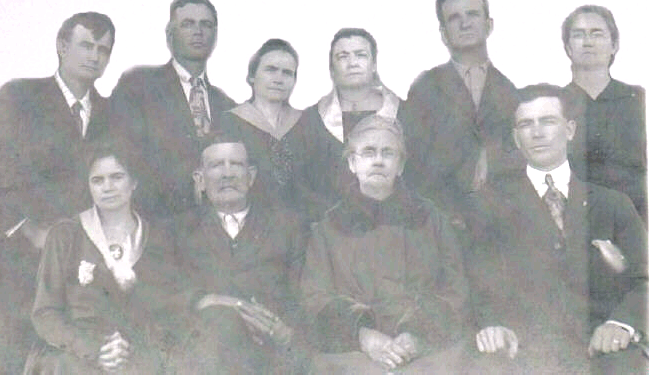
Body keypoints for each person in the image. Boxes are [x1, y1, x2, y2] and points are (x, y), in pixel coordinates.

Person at [465, 84, 647, 373]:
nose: (537, 133)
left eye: (548, 121)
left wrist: (621, 324)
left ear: (570, 130)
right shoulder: (487, 205)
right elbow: (474, 282)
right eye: (526, 124)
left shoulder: (613, 204)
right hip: (523, 350)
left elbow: (644, 278)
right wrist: (492, 325)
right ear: (516, 138)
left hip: (603, 349)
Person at [0, 12, 114, 374]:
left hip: (81, 268)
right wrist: (29, 229)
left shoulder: (112, 114)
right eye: (86, 45)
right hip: (19, 260)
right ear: (62, 46)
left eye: (103, 49)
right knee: (18, 355)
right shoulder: (19, 98)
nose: (94, 56)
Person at [301, 115, 469, 373]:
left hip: (425, 347)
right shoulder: (327, 228)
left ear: (400, 166)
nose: (378, 160)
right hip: (354, 352)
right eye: (368, 152)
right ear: (352, 163)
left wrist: (415, 336)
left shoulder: (431, 219)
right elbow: (314, 298)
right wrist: (364, 336)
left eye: (388, 153)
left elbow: (455, 289)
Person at [24, 139, 181, 373]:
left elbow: (167, 310)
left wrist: (127, 350)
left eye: (117, 177)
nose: (107, 187)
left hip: (136, 350)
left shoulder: (156, 238)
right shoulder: (65, 235)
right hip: (75, 351)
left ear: (134, 182)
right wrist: (94, 349)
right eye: (97, 180)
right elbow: (45, 313)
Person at [170, 134, 309, 373]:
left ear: (251, 176)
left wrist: (287, 334)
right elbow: (161, 292)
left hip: (273, 359)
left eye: (236, 164)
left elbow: (305, 297)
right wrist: (206, 300)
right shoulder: (177, 231)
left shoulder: (289, 227)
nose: (227, 174)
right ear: (200, 179)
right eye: (216, 165)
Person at [110, 0, 236, 219]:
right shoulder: (138, 86)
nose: (198, 31)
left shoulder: (226, 105)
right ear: (169, 35)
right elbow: (124, 157)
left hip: (211, 227)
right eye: (188, 24)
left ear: (215, 36)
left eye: (206, 25)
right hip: (155, 222)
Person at [401, 0, 521, 214]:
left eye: (472, 14)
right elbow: (415, 164)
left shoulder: (509, 91)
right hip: (442, 217)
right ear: (443, 34)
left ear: (489, 25)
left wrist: (491, 155)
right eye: (454, 18)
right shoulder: (425, 88)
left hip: (501, 220)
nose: (465, 24)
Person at [296, 28, 401, 216]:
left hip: (397, 223)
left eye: (360, 55)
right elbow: (303, 188)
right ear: (331, 69)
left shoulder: (407, 114)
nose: (352, 63)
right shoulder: (309, 121)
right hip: (329, 226)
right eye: (343, 57)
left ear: (374, 64)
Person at [562, 5, 646, 221]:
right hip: (575, 225)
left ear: (614, 45)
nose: (588, 42)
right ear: (568, 48)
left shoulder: (638, 100)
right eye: (578, 35)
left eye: (597, 34)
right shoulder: (554, 106)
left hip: (633, 225)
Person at [220, 38, 308, 212]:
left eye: (287, 73)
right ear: (252, 76)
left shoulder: (307, 122)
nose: (278, 79)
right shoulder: (229, 122)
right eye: (271, 70)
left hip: (304, 220)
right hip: (251, 219)